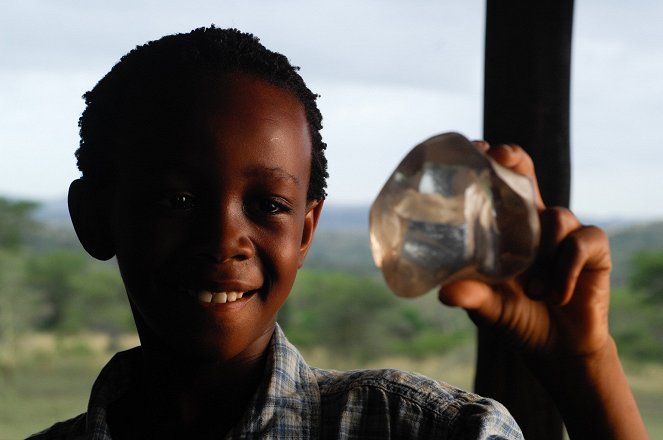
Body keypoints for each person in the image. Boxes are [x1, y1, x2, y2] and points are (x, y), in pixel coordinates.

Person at [29, 27, 648, 439]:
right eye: (177, 199)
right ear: (94, 216)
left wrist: (585, 367)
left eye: (268, 204)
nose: (224, 239)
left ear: (307, 230)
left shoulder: (422, 430)